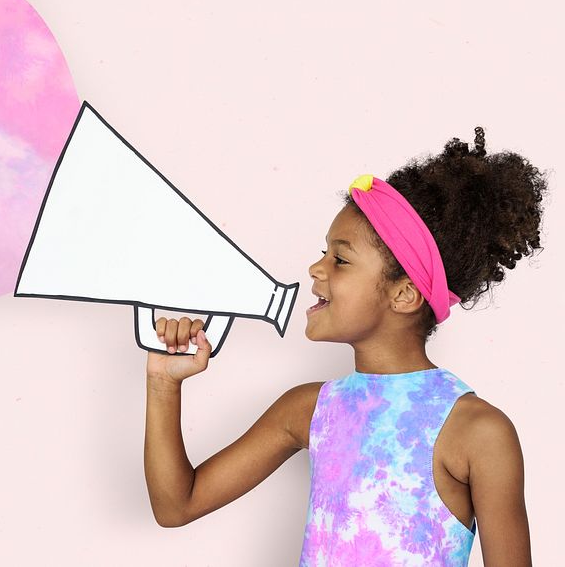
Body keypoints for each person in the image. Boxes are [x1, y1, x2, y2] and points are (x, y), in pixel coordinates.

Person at [143, 127, 547, 566]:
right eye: (324, 253)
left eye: (340, 258)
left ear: (404, 294)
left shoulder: (479, 432)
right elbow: (176, 505)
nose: (316, 268)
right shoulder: (308, 410)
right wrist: (163, 383)